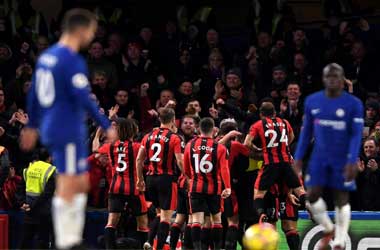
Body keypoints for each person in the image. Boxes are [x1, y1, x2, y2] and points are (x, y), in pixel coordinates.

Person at [20, 8, 111, 249]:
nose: (92, 37)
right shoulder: (72, 60)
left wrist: (31, 126)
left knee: (76, 180)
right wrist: (105, 124)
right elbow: (85, 98)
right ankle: (67, 238)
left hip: (51, 126)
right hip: (66, 127)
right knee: (72, 182)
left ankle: (66, 236)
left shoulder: (46, 57)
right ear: (80, 30)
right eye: (91, 31)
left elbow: (35, 94)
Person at [294, 63, 364, 250]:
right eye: (329, 77)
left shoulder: (354, 104)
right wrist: (298, 157)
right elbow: (306, 132)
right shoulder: (312, 101)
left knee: (341, 197)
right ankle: (328, 228)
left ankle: (340, 240)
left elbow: (356, 134)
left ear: (342, 81)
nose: (333, 80)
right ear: (324, 80)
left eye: (336, 77)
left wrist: (352, 160)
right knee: (311, 196)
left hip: (342, 158)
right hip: (319, 158)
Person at [244, 102, 305, 223]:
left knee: (258, 194)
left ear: (261, 114)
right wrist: (282, 147)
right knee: (300, 190)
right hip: (286, 163)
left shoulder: (258, 125)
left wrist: (257, 149)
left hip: (270, 164)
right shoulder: (285, 122)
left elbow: (246, 143)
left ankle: (261, 214)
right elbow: (292, 136)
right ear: (275, 113)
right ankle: (310, 208)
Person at [136, 108, 184, 250]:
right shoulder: (175, 138)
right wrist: (188, 176)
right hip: (167, 179)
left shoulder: (147, 136)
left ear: (160, 119)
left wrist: (140, 179)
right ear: (173, 119)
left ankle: (149, 242)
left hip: (150, 179)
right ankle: (158, 248)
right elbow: (180, 161)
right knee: (166, 218)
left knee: (159, 213)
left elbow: (139, 159)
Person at [98, 118, 149, 249]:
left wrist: (98, 133)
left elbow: (96, 151)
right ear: (132, 131)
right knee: (142, 222)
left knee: (111, 222)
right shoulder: (137, 147)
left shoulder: (110, 146)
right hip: (134, 188)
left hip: (115, 187)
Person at [183, 117, 231, 250]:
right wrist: (227, 187)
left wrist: (192, 178)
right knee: (216, 220)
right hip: (214, 189)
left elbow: (186, 169)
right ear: (214, 130)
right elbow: (224, 169)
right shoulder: (220, 148)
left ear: (199, 129)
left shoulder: (189, 145)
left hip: (196, 187)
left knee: (196, 220)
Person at [17, 148, 56, 249]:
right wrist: (32, 206)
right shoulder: (50, 170)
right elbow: (47, 194)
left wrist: (23, 203)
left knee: (26, 240)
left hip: (28, 211)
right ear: (49, 158)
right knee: (42, 242)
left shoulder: (29, 168)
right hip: (43, 212)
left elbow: (20, 189)